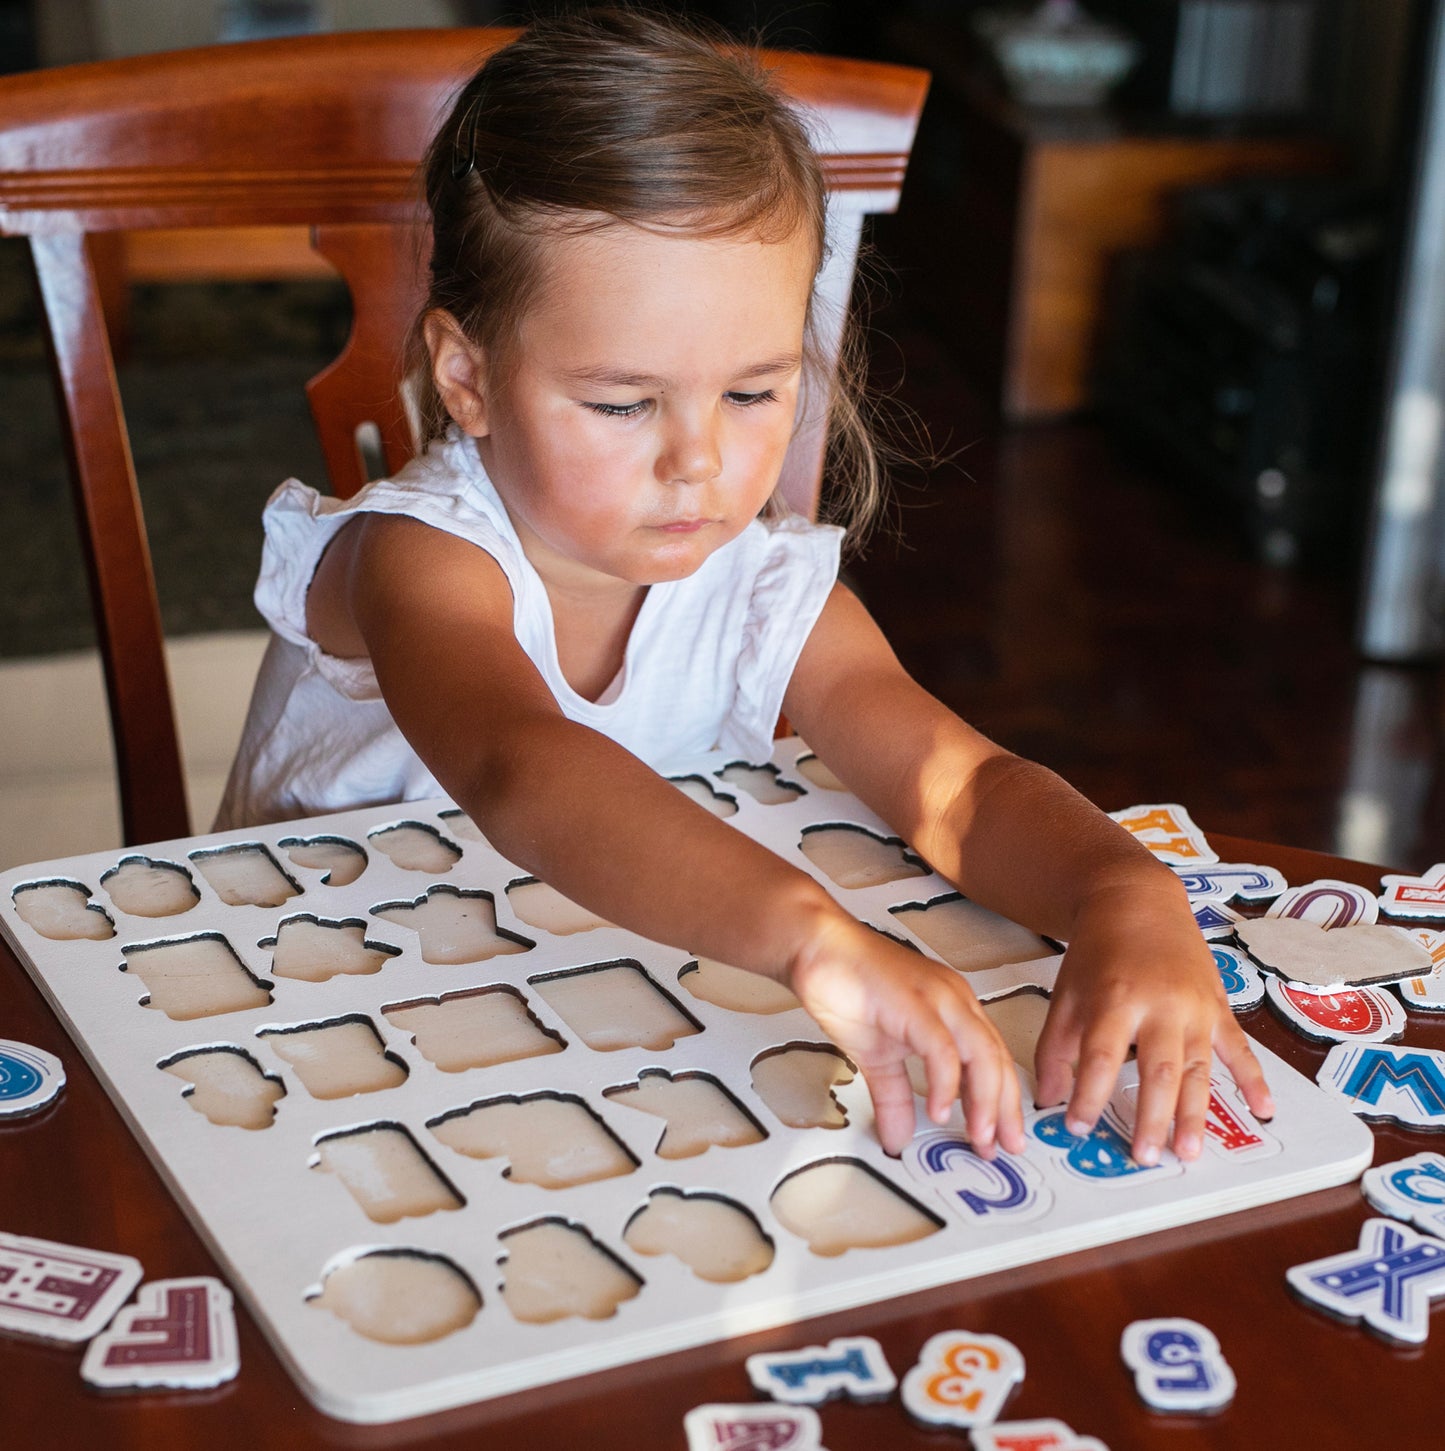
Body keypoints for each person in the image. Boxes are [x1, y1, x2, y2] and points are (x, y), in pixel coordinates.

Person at [218, 8, 1271, 1162]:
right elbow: (521, 766)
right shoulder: (418, 555)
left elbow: (955, 790)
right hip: (292, 1026)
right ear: (465, 376)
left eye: (754, 391)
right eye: (623, 404)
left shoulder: (765, 587)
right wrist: (813, 937)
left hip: (557, 1023)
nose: (699, 462)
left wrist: (1120, 890)